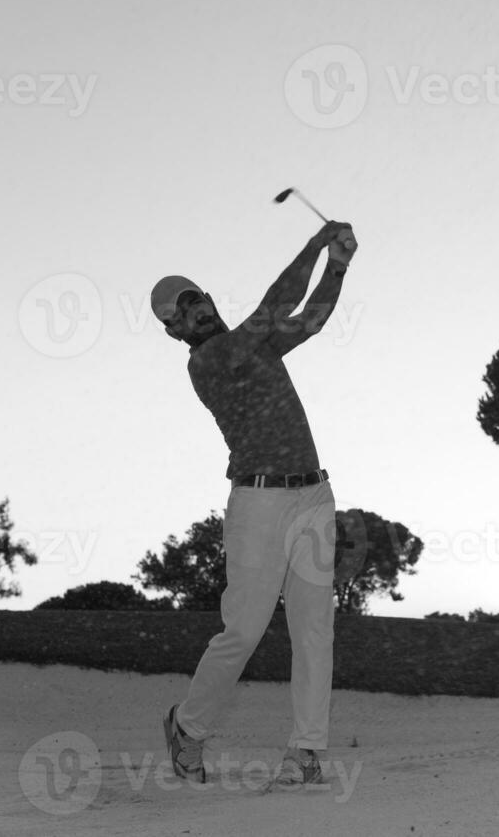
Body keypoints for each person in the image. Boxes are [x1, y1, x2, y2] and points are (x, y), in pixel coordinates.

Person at [150, 219, 357, 792]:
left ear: (210, 300)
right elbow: (271, 309)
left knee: (316, 629)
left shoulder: (255, 346)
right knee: (242, 631)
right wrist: (315, 244)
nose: (196, 310)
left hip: (315, 494)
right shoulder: (208, 363)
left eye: (198, 298)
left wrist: (338, 263)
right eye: (183, 310)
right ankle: (187, 728)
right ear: (173, 331)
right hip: (259, 504)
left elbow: (309, 318)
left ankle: (306, 751)